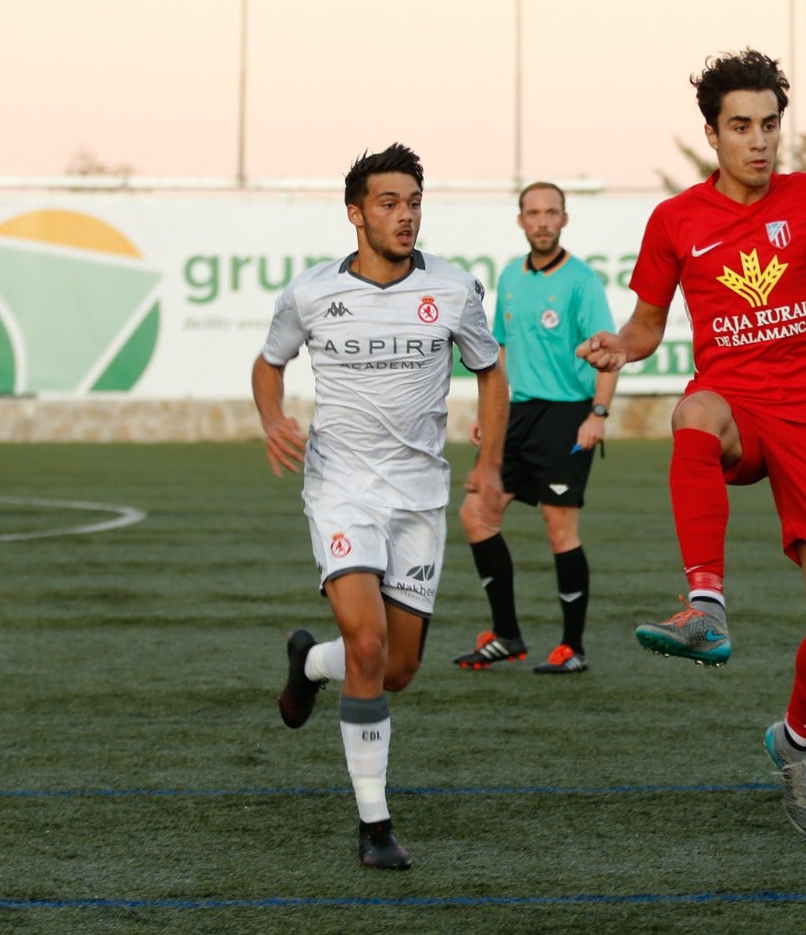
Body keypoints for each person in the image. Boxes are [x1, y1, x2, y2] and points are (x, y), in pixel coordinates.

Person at [576, 49, 806, 841]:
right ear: (713, 134)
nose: (759, 141)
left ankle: (794, 743)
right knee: (692, 410)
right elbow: (647, 324)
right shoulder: (676, 220)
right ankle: (706, 606)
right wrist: (620, 347)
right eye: (741, 126)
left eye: (770, 125)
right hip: (737, 409)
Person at [255, 143, 508, 870]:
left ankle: (308, 665)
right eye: (389, 203)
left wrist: (489, 462)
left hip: (420, 499)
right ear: (355, 213)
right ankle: (375, 825)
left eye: (414, 202)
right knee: (368, 646)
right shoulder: (311, 294)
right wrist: (272, 416)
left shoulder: (455, 290)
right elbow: (269, 362)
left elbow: (491, 370)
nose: (405, 216)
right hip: (341, 489)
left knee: (396, 668)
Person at [453, 181, 620, 675]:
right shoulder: (510, 277)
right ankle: (506, 635)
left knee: (558, 526)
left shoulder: (582, 281)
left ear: (564, 219)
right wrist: (490, 416)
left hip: (568, 414)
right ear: (521, 220)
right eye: (533, 213)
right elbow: (499, 352)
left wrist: (599, 414)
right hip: (518, 416)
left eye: (552, 213)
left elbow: (609, 355)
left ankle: (573, 648)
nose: (543, 221)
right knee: (476, 514)